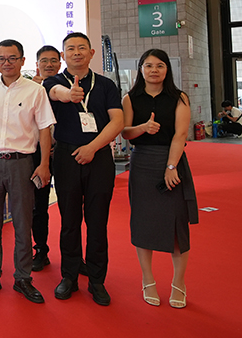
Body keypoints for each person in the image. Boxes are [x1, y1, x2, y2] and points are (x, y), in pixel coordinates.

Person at [0, 39, 55, 304]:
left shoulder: (35, 91)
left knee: (22, 222)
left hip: (22, 163)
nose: (6, 63)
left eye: (11, 58)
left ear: (22, 60)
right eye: (1, 59)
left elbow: (45, 128)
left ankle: (23, 278)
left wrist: (44, 164)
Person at [43, 32, 124, 306]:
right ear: (63, 55)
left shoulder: (105, 85)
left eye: (81, 48)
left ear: (91, 53)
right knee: (69, 221)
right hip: (66, 156)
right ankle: (69, 276)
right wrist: (69, 95)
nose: (76, 52)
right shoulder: (53, 81)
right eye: (70, 49)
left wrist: (92, 147)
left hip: (98, 156)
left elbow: (117, 121)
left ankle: (97, 280)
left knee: (97, 221)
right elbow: (55, 93)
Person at [121, 48, 198, 309]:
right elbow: (125, 132)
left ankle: (179, 282)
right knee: (143, 223)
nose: (154, 70)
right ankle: (148, 279)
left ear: (167, 69)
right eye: (149, 65)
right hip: (142, 164)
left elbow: (181, 134)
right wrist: (142, 128)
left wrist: (171, 165)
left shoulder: (179, 97)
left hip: (171, 160)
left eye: (160, 65)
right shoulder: (130, 98)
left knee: (176, 224)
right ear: (141, 69)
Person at [29, 45, 62, 272]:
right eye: (44, 61)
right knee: (38, 206)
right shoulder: (29, 89)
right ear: (37, 64)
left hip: (63, 152)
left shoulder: (65, 86)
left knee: (69, 205)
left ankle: (73, 255)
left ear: (60, 63)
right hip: (37, 155)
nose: (49, 64)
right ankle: (40, 249)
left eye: (53, 60)